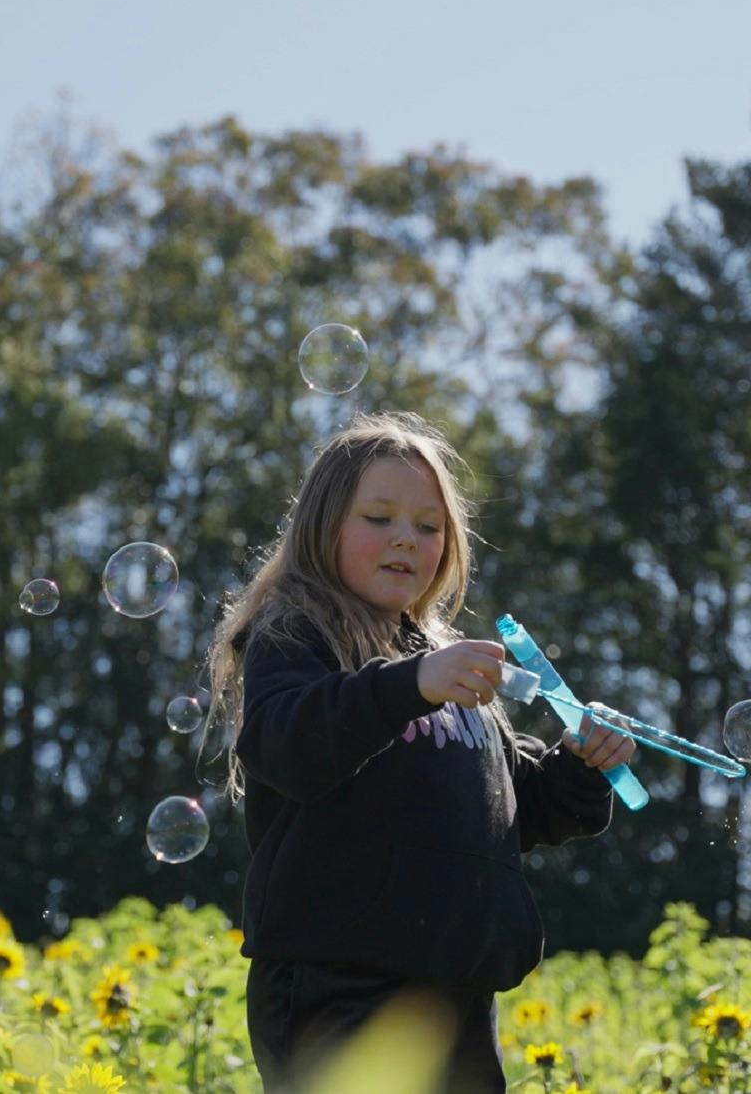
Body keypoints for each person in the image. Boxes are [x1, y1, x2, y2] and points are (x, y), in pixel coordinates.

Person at [204, 412, 638, 1093]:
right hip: (337, 988)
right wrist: (409, 685)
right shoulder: (295, 636)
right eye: (379, 516)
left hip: (457, 994)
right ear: (322, 526)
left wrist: (582, 763)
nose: (407, 537)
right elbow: (288, 743)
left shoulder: (443, 664)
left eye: (429, 526)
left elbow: (510, 805)